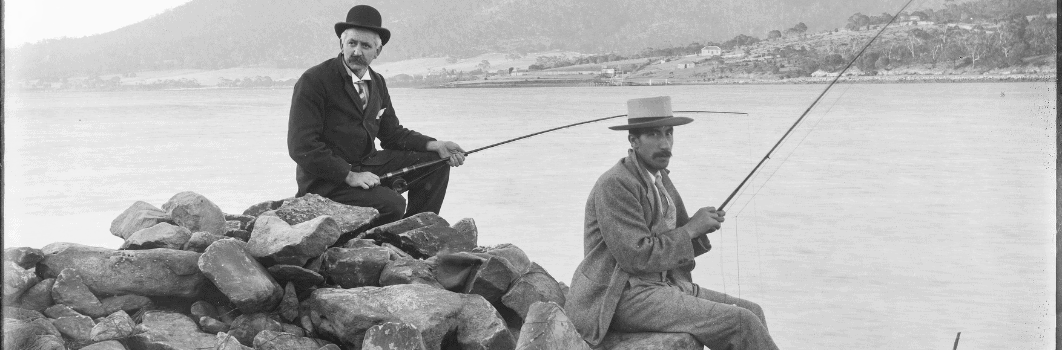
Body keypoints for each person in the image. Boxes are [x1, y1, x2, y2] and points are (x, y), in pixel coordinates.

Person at [565, 96, 779, 350]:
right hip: (619, 296)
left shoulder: (659, 178)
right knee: (741, 322)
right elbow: (636, 257)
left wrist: (701, 228)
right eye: (654, 134)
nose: (665, 143)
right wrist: (691, 230)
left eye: (669, 133)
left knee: (752, 311)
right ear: (633, 141)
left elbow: (678, 238)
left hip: (664, 285)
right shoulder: (615, 184)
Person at [288, 5, 466, 225]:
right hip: (326, 181)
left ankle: (416, 232)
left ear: (377, 51)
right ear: (341, 43)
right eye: (352, 43)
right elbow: (302, 146)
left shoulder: (378, 82)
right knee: (393, 205)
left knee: (437, 163)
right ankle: (386, 241)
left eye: (365, 46)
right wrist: (350, 175)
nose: (357, 51)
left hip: (369, 166)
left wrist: (436, 145)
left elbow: (392, 134)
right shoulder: (314, 80)